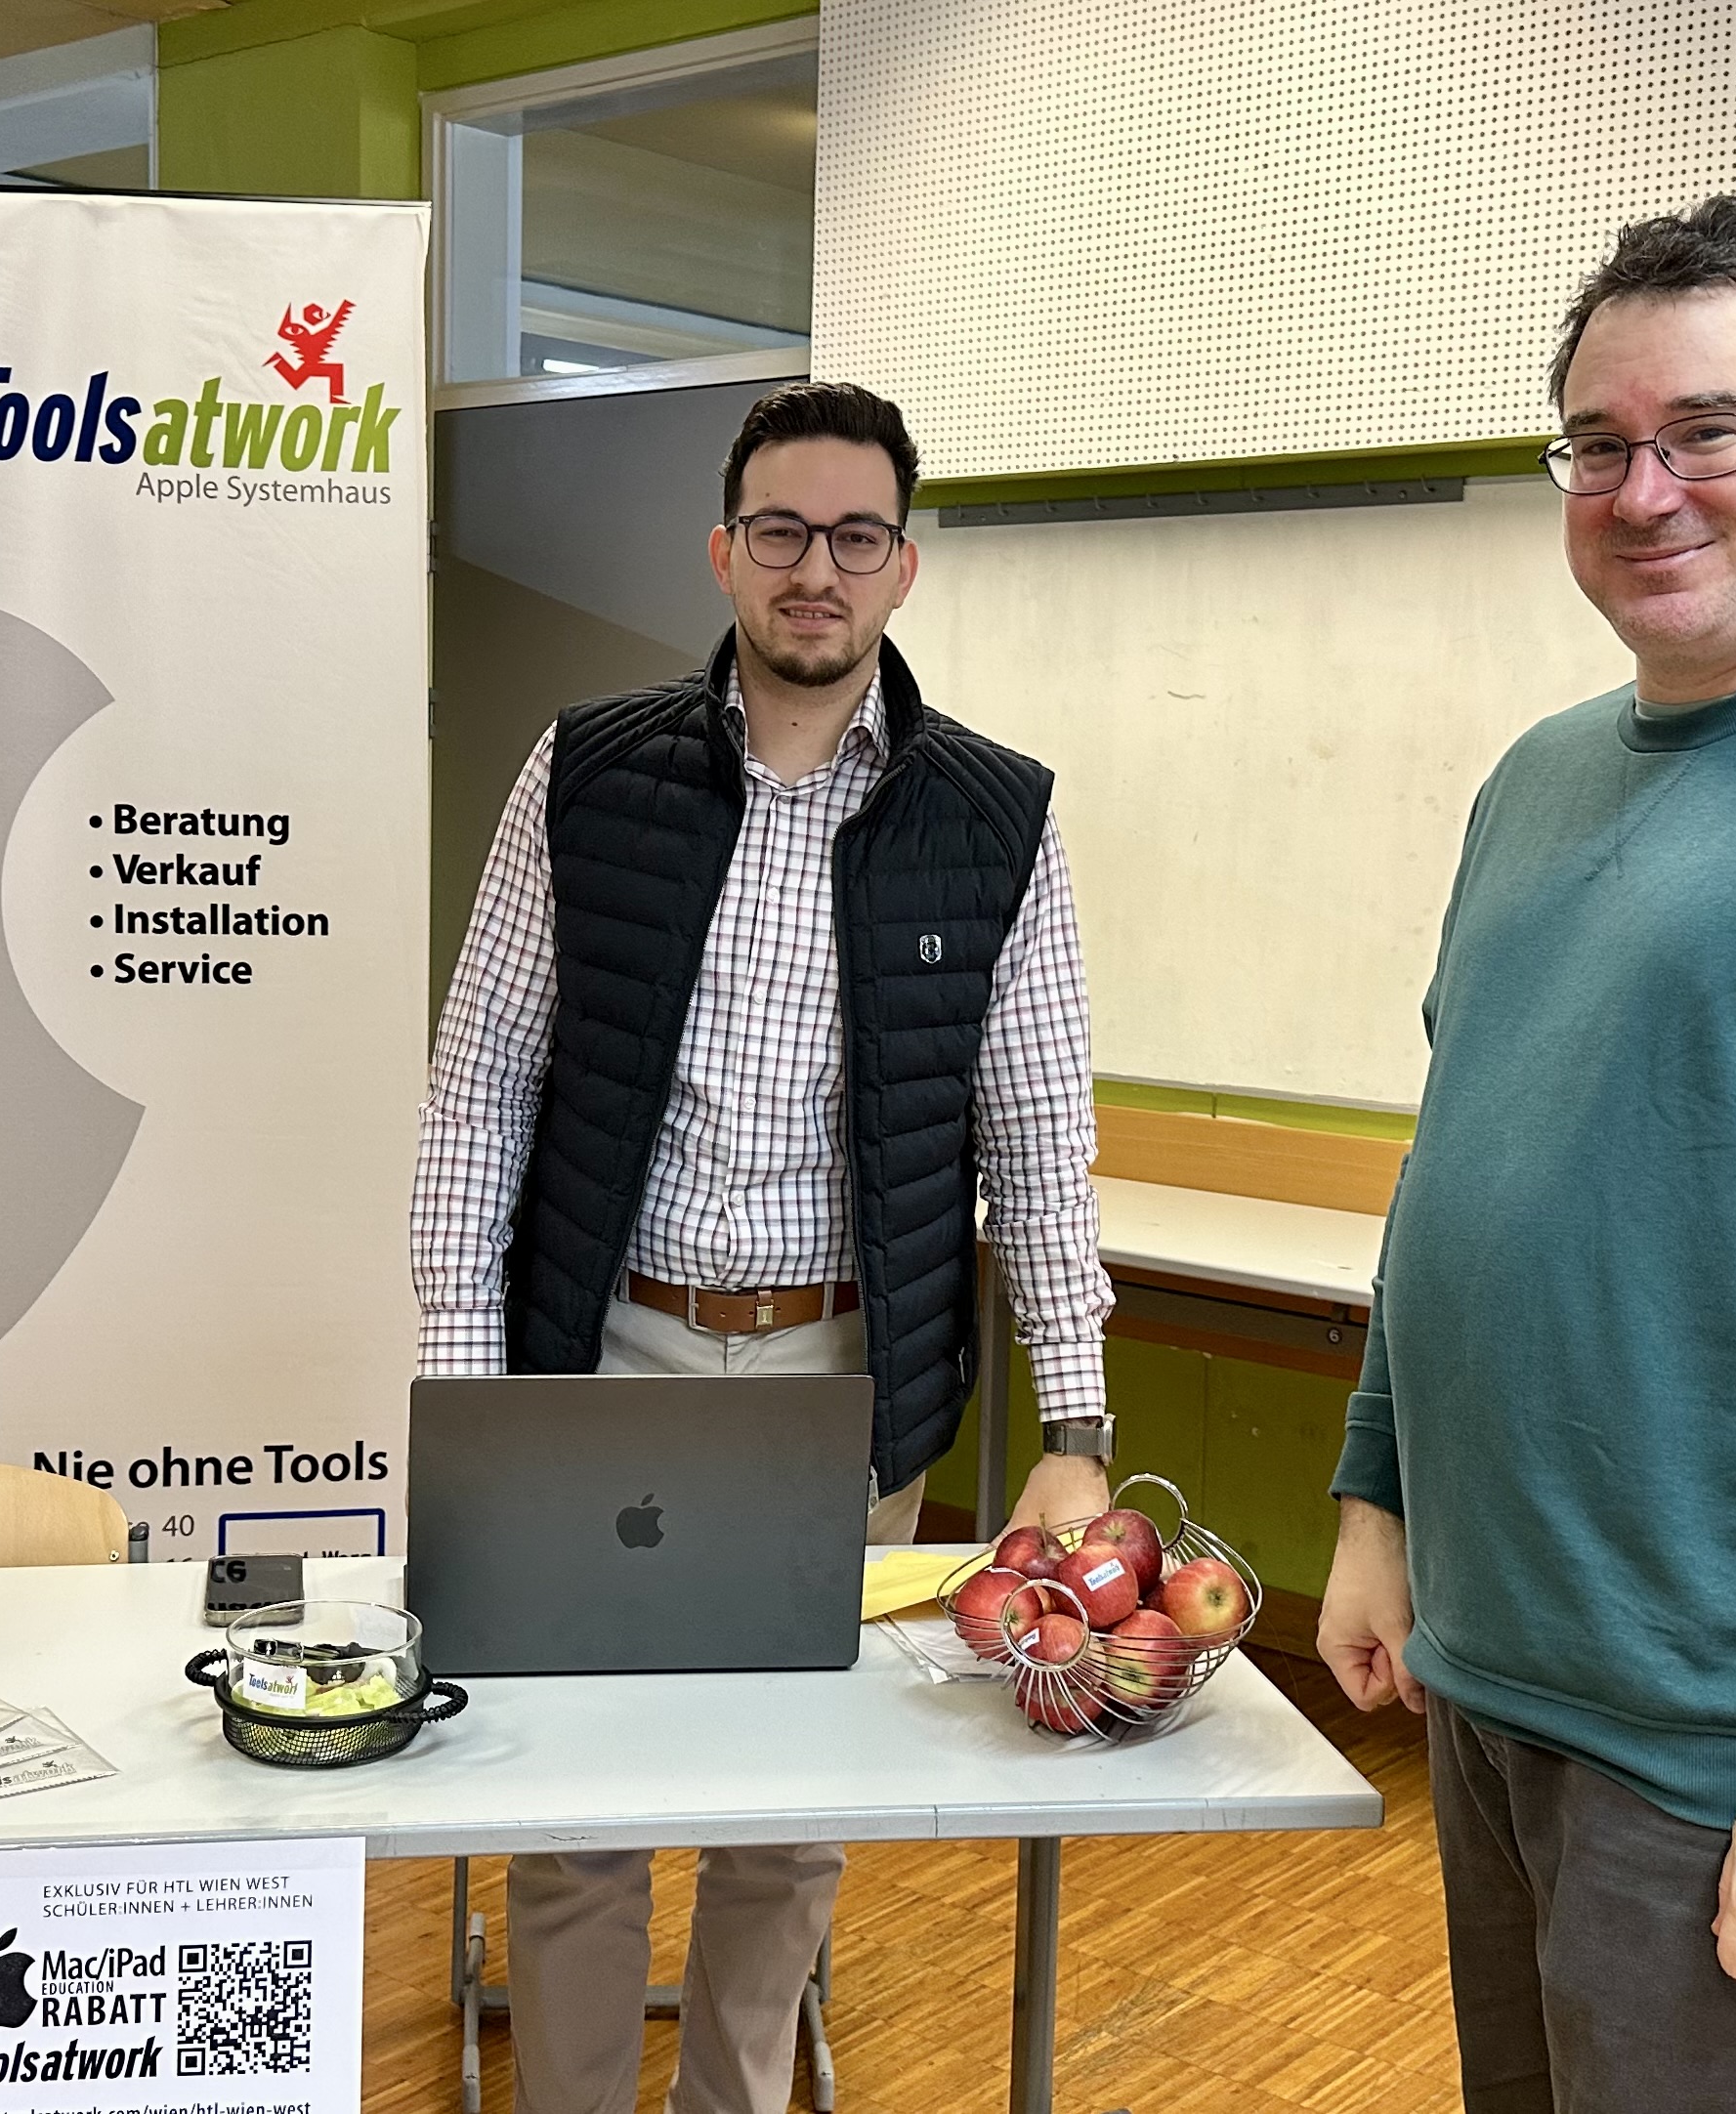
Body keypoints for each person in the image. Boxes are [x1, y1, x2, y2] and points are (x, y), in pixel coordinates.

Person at [1318, 196, 1736, 2112]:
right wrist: (1376, 1498)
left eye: (1706, 430)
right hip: (1496, 1690)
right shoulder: (1536, 777)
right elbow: (1458, 1162)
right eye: (1597, 445)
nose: (1644, 490)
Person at [411, 379, 1114, 2114]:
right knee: (574, 1801)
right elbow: (481, 1087)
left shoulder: (996, 816)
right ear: (724, 552)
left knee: (793, 1811)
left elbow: (1039, 1141)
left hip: (840, 1388)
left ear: (904, 566)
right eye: (783, 530)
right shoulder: (586, 773)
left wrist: (1078, 1430)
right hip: (606, 1357)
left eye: (857, 536)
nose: (819, 569)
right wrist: (466, 1398)